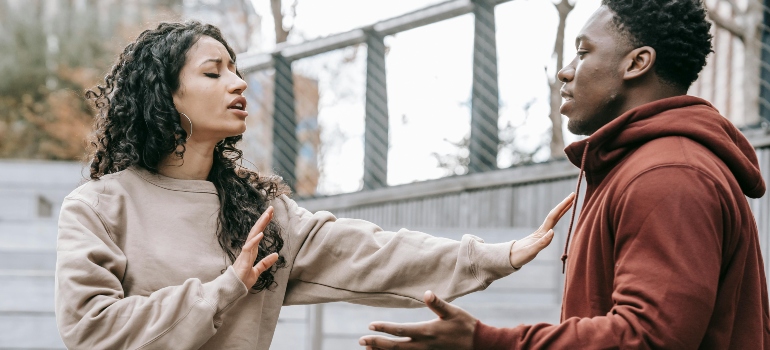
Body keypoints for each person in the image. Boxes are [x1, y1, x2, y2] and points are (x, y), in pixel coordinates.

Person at [54, 21, 576, 349]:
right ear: (164, 97)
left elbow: (369, 254)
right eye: (214, 73)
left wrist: (494, 255)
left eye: (236, 70)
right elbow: (92, 332)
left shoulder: (259, 211)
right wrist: (225, 288)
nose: (238, 83)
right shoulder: (99, 207)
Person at [359, 0, 769, 349]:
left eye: (584, 52)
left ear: (637, 63)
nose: (565, 72)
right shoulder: (640, 166)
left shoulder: (668, 175)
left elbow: (649, 337)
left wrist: (487, 340)